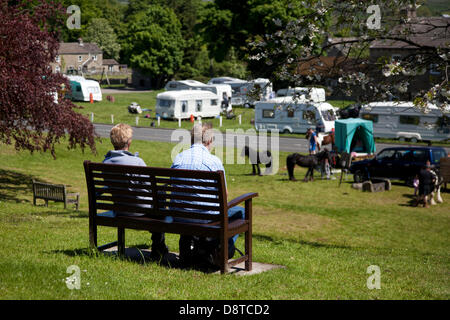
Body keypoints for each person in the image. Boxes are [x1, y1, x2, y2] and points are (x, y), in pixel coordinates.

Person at [171, 123, 244, 267]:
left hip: (180, 215)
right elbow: (225, 196)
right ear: (209, 141)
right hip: (206, 218)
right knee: (241, 211)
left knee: (193, 206)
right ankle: (219, 249)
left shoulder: (178, 158)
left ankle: (196, 247)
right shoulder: (213, 162)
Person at [103, 123, 169, 259]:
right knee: (160, 198)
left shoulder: (105, 163)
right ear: (129, 142)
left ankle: (159, 246)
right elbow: (152, 187)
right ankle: (158, 247)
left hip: (120, 209)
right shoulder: (137, 162)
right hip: (140, 211)